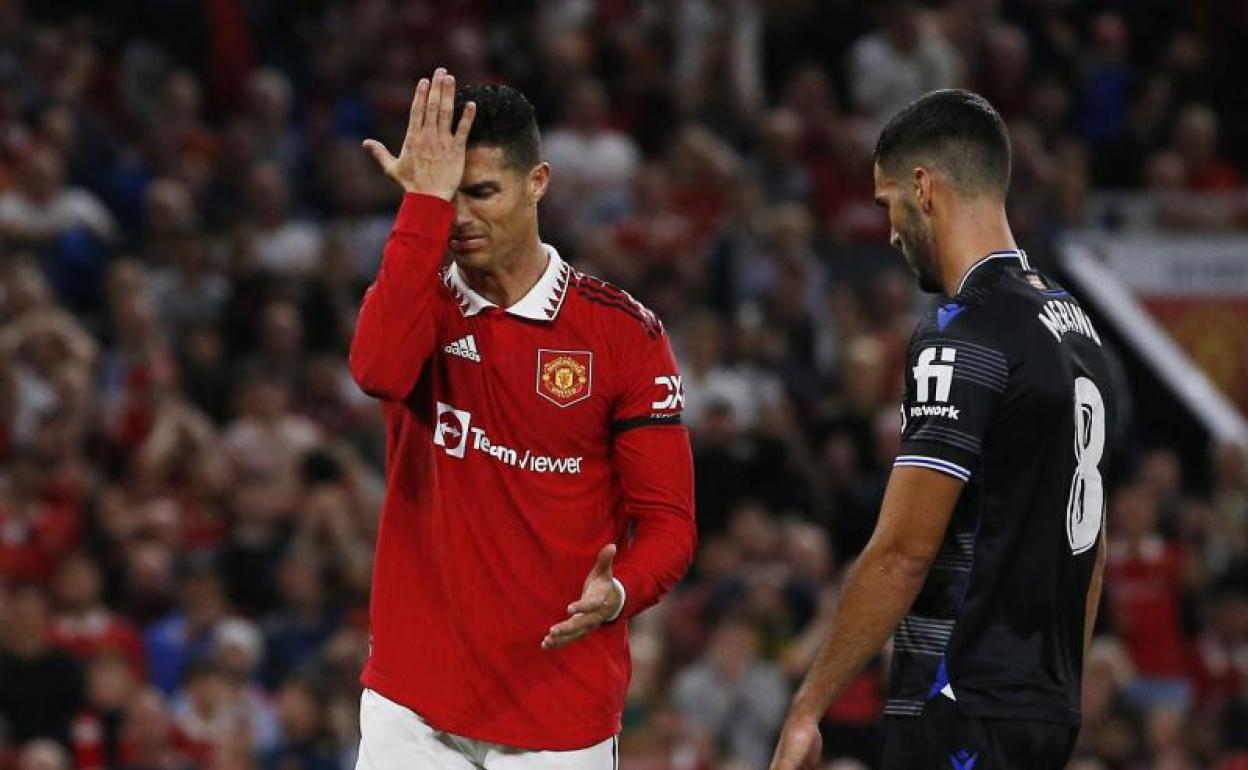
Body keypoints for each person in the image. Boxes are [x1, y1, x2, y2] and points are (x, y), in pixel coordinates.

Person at [348, 68, 696, 768]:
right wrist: (421, 203)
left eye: (480, 193)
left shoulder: (623, 335)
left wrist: (620, 591)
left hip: (559, 712)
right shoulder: (418, 299)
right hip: (413, 706)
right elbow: (376, 371)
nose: (461, 218)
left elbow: (669, 524)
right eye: (448, 198)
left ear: (538, 182)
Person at [769, 89, 1116, 770]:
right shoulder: (1074, 325)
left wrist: (808, 707)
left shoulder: (962, 334)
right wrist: (1056, 685)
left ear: (923, 188)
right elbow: (1092, 547)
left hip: (959, 702)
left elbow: (903, 551)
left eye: (886, 203)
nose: (891, 231)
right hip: (1046, 706)